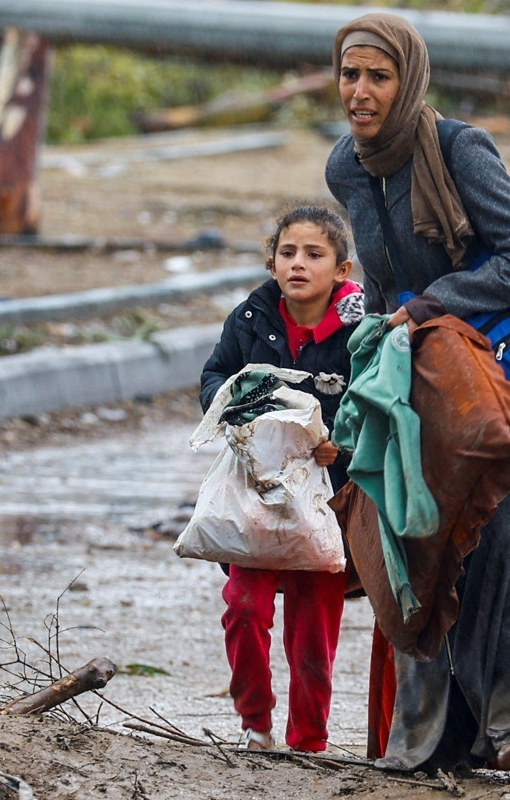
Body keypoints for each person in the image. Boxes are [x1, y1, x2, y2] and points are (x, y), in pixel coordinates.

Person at [325, 12, 510, 773]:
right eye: (349, 74)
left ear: (410, 81)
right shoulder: (347, 168)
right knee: (416, 538)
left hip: (501, 371)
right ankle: (427, 735)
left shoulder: (461, 150)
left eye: (378, 76)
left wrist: (433, 303)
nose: (361, 92)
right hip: (419, 374)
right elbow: (385, 277)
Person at [198, 204, 364, 753]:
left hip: (327, 502)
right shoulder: (250, 319)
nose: (299, 264)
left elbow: (376, 397)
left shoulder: (359, 330)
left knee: (313, 629)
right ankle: (255, 723)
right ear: (272, 263)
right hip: (257, 494)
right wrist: (233, 408)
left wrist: (342, 440)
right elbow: (216, 375)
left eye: (314, 254)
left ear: (341, 270)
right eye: (287, 253)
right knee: (243, 606)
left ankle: (309, 740)